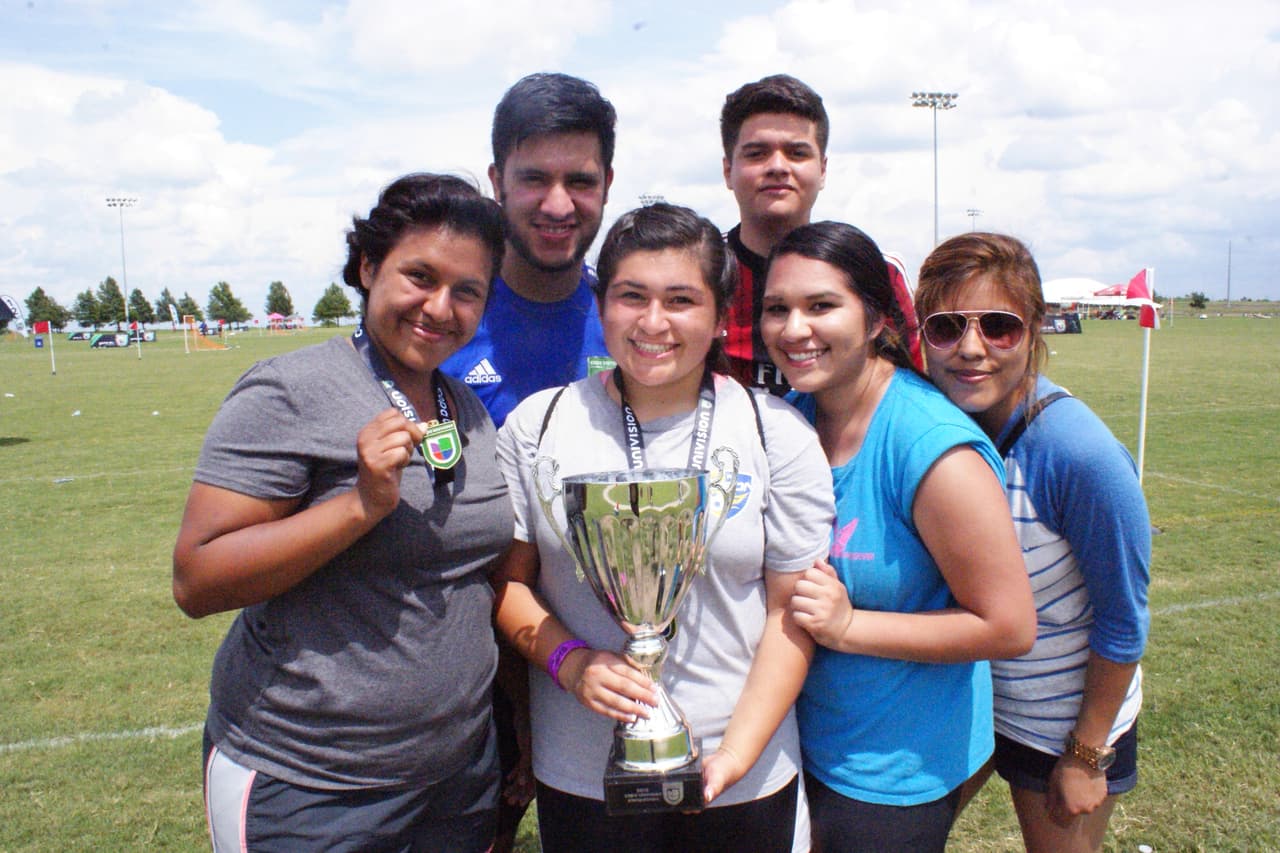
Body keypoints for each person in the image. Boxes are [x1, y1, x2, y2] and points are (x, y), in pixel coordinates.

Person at [172, 173, 512, 852]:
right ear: (367, 267)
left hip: (457, 775)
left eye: (466, 291)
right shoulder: (290, 389)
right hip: (310, 782)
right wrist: (359, 506)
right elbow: (197, 579)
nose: (439, 307)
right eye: (420, 276)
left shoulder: (468, 408)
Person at [493, 203, 835, 852]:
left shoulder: (775, 432)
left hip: (745, 772)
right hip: (583, 772)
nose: (654, 322)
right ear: (601, 307)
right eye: (632, 296)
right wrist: (571, 662)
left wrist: (735, 755)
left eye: (681, 299)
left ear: (720, 314)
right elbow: (508, 586)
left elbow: (790, 614)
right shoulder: (538, 426)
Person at [758, 220, 1036, 852]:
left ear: (877, 319)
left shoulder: (931, 449)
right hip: (802, 741)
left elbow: (1008, 626)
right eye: (777, 308)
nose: (794, 328)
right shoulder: (796, 416)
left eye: (821, 306)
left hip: (892, 772)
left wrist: (847, 627)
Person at [915, 232, 1151, 853]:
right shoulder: (937, 425)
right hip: (970, 704)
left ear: (1036, 328)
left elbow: (1124, 620)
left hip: (1060, 723)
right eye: (945, 328)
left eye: (999, 326)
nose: (971, 348)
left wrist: (1086, 753)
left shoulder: (1079, 454)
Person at [440, 70, 619, 851]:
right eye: (533, 178)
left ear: (607, 183)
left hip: (605, 652)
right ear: (496, 181)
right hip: (467, 665)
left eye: (580, 180)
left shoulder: (635, 319)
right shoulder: (443, 321)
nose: (557, 203)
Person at [719, 74, 920, 394]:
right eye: (757, 153)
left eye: (797, 153)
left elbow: (912, 390)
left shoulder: (878, 273)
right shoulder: (702, 273)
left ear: (822, 170)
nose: (778, 166)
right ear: (728, 171)